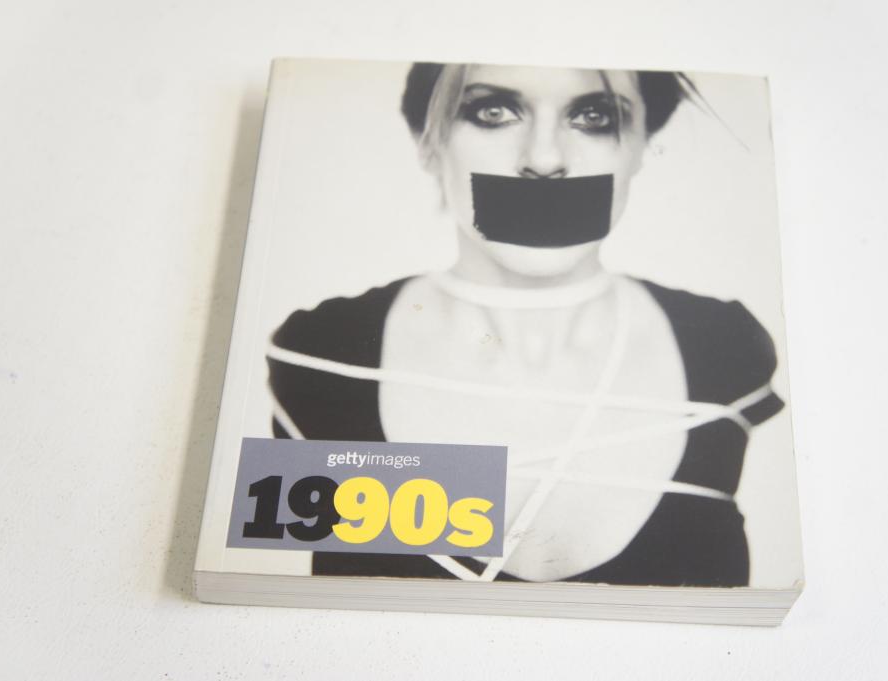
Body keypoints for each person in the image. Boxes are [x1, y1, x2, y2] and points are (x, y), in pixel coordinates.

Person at [266, 62, 784, 586]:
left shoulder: (728, 347)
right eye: (492, 112)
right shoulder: (316, 354)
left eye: (595, 116)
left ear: (641, 145)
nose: (544, 159)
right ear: (429, 141)